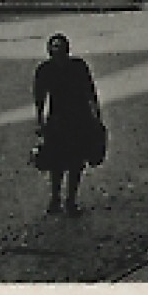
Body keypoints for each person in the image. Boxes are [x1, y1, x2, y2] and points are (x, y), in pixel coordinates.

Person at [33, 33, 104, 216]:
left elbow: (90, 91)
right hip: (58, 121)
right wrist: (40, 122)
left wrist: (96, 115)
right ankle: (55, 199)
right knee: (56, 163)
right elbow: (39, 99)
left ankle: (71, 200)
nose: (55, 50)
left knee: (76, 163)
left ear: (67, 49)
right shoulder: (45, 70)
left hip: (80, 120)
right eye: (53, 47)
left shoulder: (78, 67)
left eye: (59, 46)